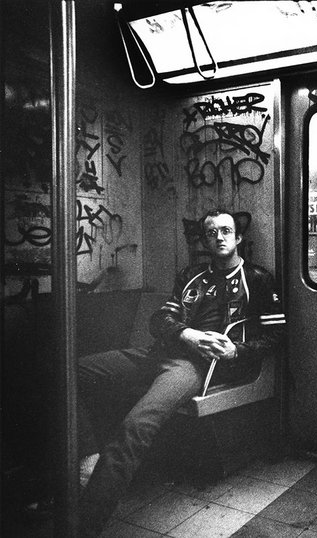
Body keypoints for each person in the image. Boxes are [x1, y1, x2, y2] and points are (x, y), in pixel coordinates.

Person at [77, 208, 283, 536]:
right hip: (157, 354)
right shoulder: (191, 275)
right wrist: (188, 334)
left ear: (238, 238)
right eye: (212, 232)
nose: (219, 237)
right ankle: (88, 457)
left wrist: (236, 350)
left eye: (226, 231)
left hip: (193, 367)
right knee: (73, 371)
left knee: (135, 425)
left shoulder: (257, 279)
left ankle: (83, 525)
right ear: (205, 240)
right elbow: (160, 320)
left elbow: (275, 336)